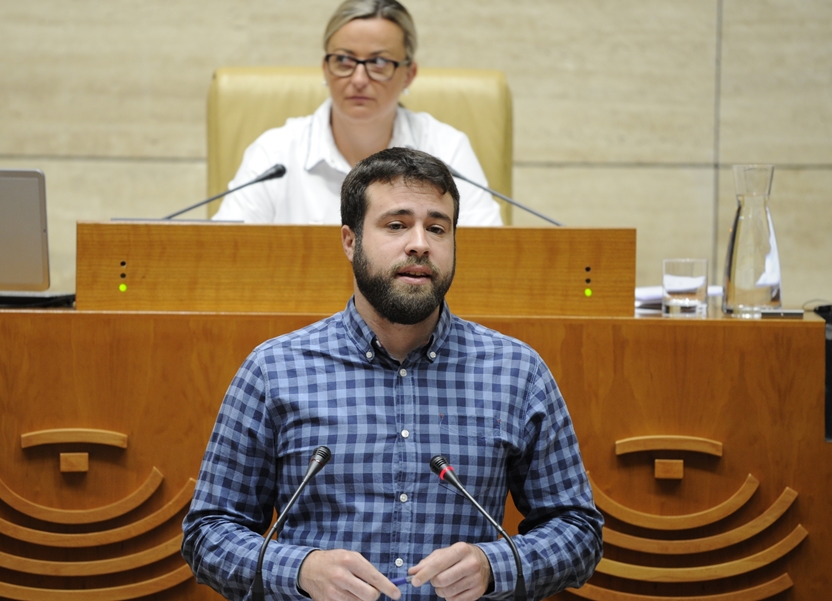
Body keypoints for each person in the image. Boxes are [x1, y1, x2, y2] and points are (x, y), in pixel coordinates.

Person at [182, 148, 602, 601]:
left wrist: (493, 565)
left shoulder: (517, 373)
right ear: (350, 240)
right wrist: (301, 569)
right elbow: (208, 533)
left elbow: (578, 530)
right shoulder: (274, 370)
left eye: (437, 228)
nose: (420, 242)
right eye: (396, 225)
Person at [211, 0, 503, 226]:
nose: (359, 79)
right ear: (325, 68)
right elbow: (226, 251)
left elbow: (486, 255)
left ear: (409, 75)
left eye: (378, 62)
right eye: (343, 60)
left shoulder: (446, 151)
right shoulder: (275, 154)